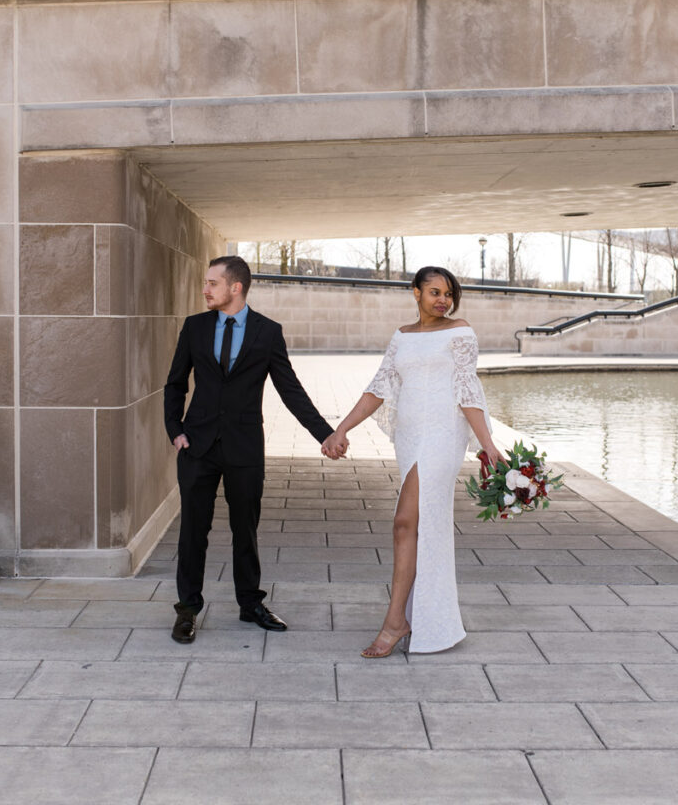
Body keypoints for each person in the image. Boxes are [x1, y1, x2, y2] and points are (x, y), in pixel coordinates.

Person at [322, 265, 505, 657]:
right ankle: (412, 617)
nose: (443, 299)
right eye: (435, 292)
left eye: (449, 293)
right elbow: (380, 387)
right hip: (410, 436)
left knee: (405, 520)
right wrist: (342, 429)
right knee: (410, 527)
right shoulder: (402, 337)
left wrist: (487, 444)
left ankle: (395, 622)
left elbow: (467, 388)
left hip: (443, 434)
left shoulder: (460, 332)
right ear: (416, 293)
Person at [164, 255, 340, 643]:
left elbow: (290, 389)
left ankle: (250, 604)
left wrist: (325, 434)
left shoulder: (267, 332)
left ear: (235, 287)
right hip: (197, 446)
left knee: (246, 530)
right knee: (193, 531)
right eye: (206, 283)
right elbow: (175, 382)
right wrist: (175, 430)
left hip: (244, 447)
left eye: (212, 283)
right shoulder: (194, 327)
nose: (205, 289)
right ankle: (188, 609)